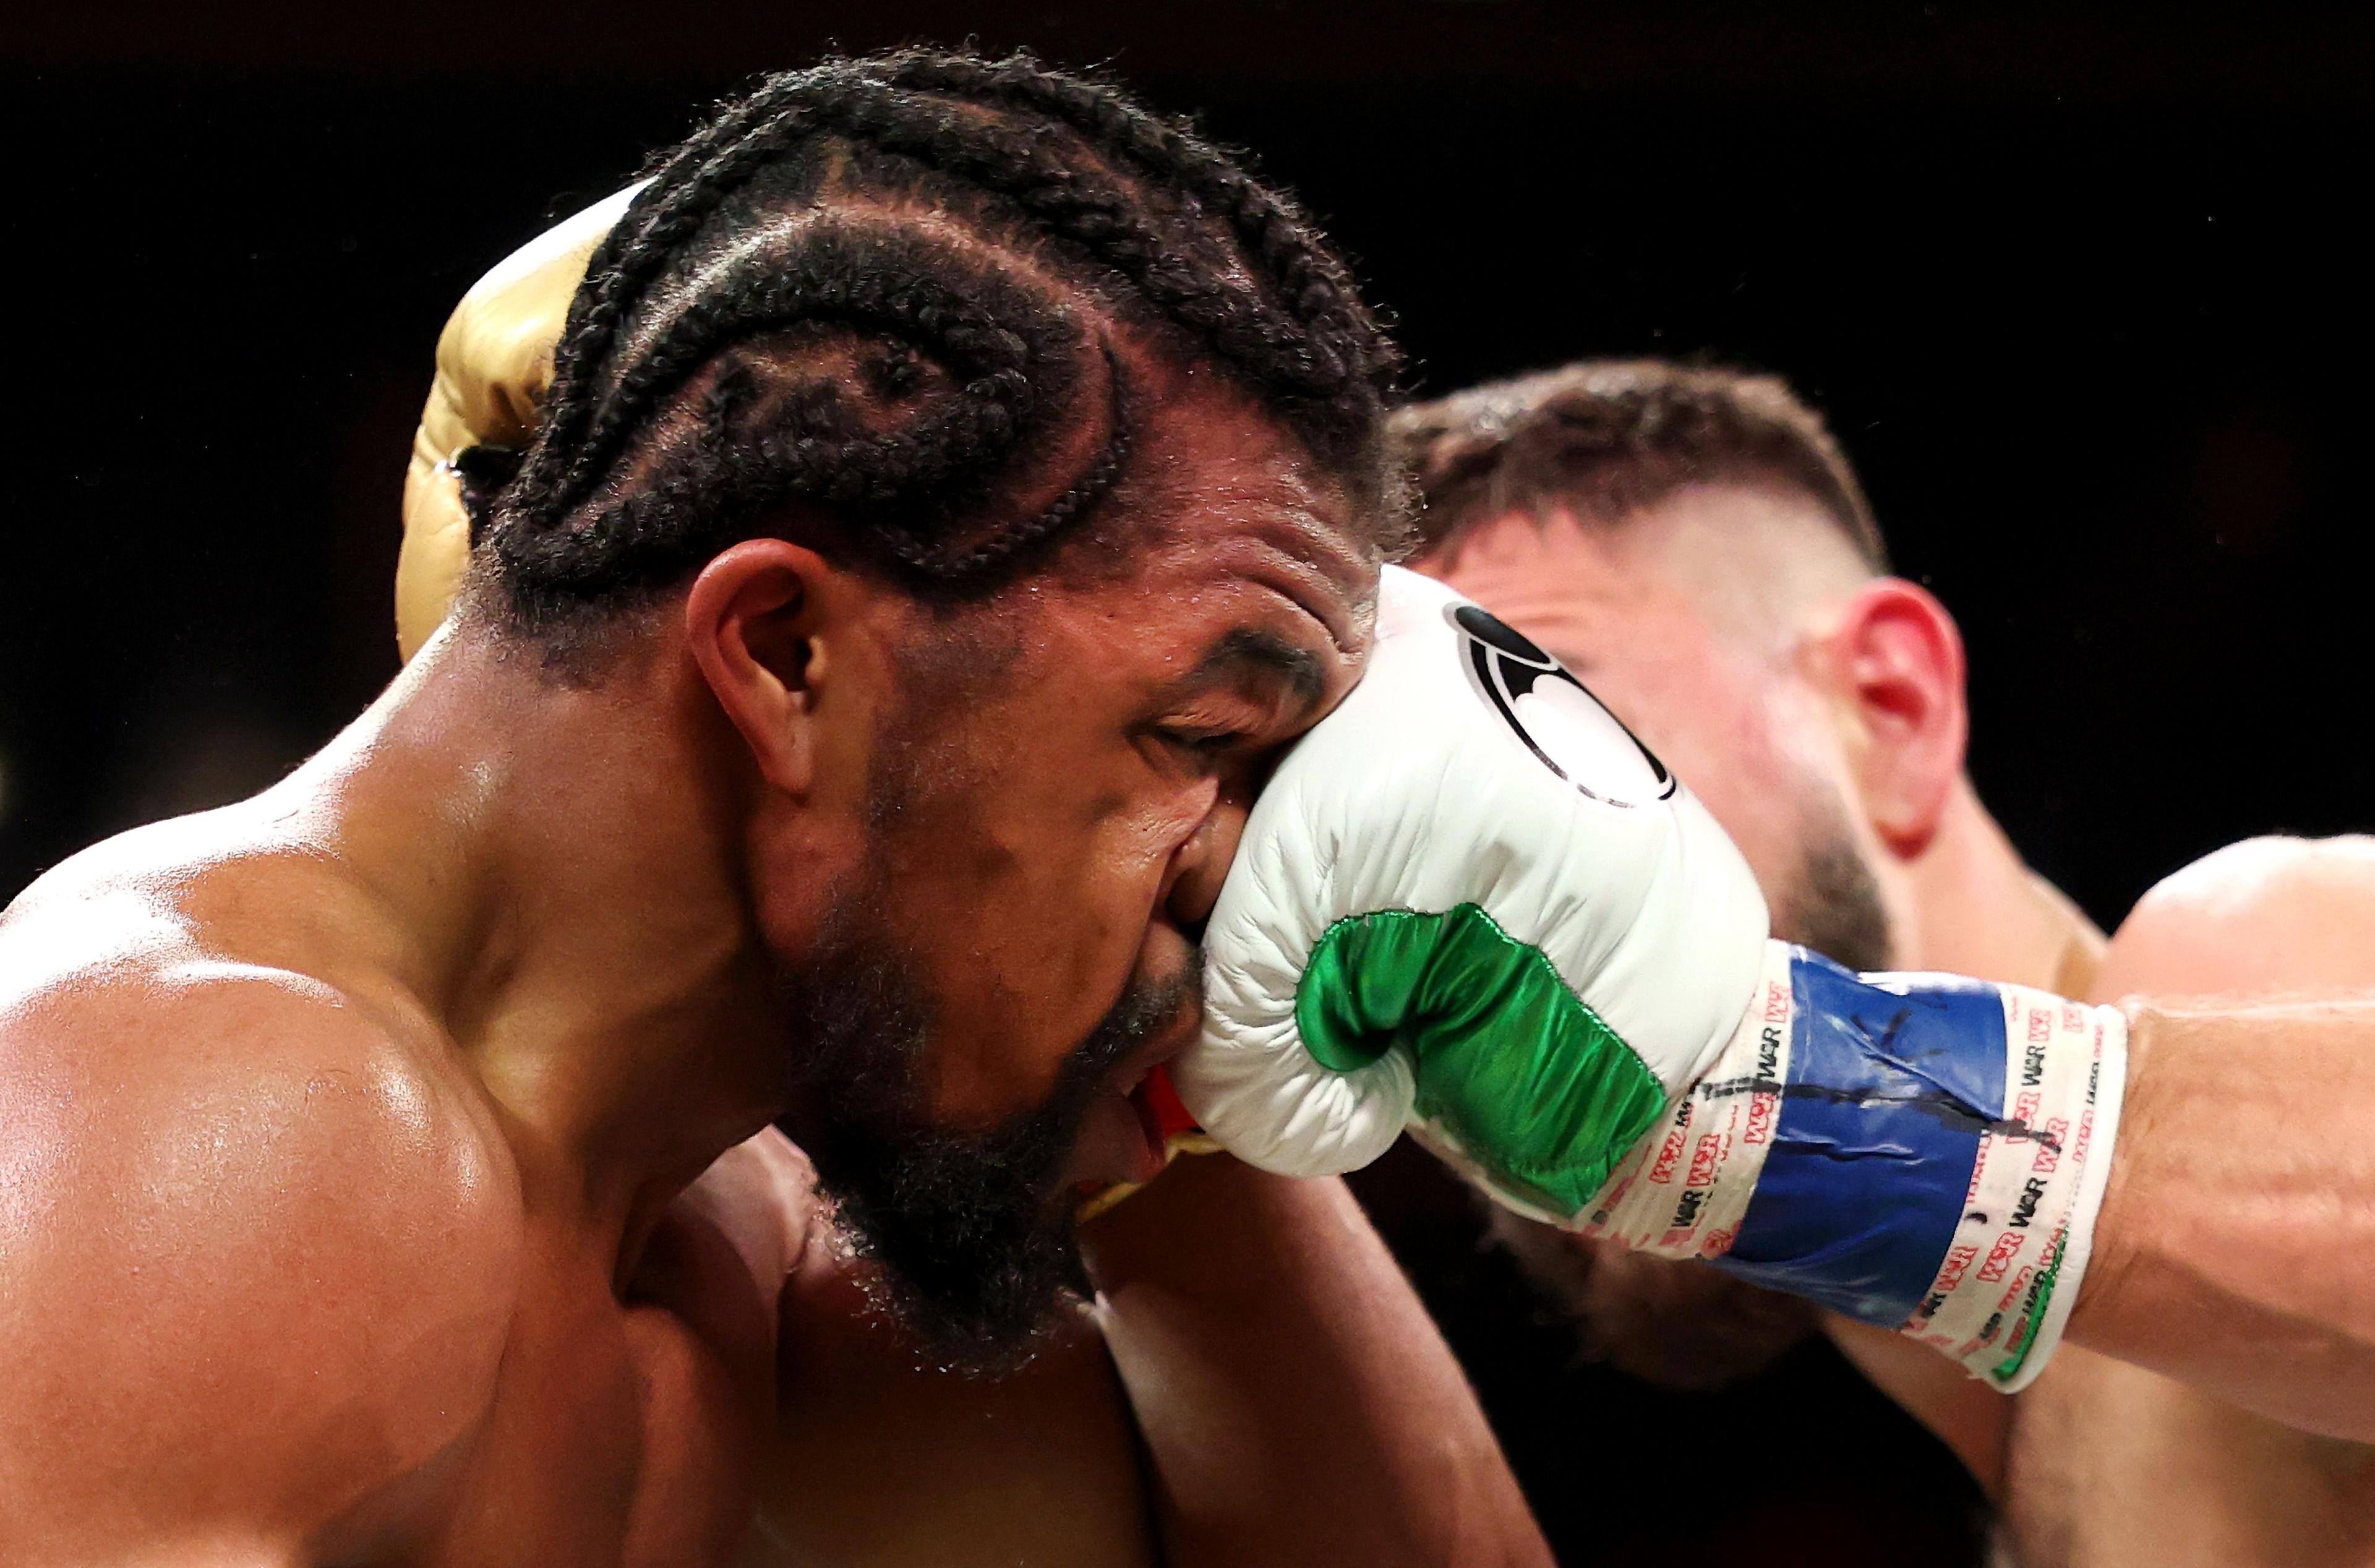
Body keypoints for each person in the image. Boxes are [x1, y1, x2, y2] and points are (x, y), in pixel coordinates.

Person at [0, 51, 1547, 1567]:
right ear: (785, 656)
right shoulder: (214, 1147)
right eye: (1201, 742)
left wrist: (1188, 1108)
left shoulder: (732, 1238)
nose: (1245, 879)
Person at [1379, 359, 2375, 1565]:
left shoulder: (2258, 941)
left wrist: (1753, 1099)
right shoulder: (2040, 1473)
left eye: (1541, 753)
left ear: (1889, 707)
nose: (1460, 925)